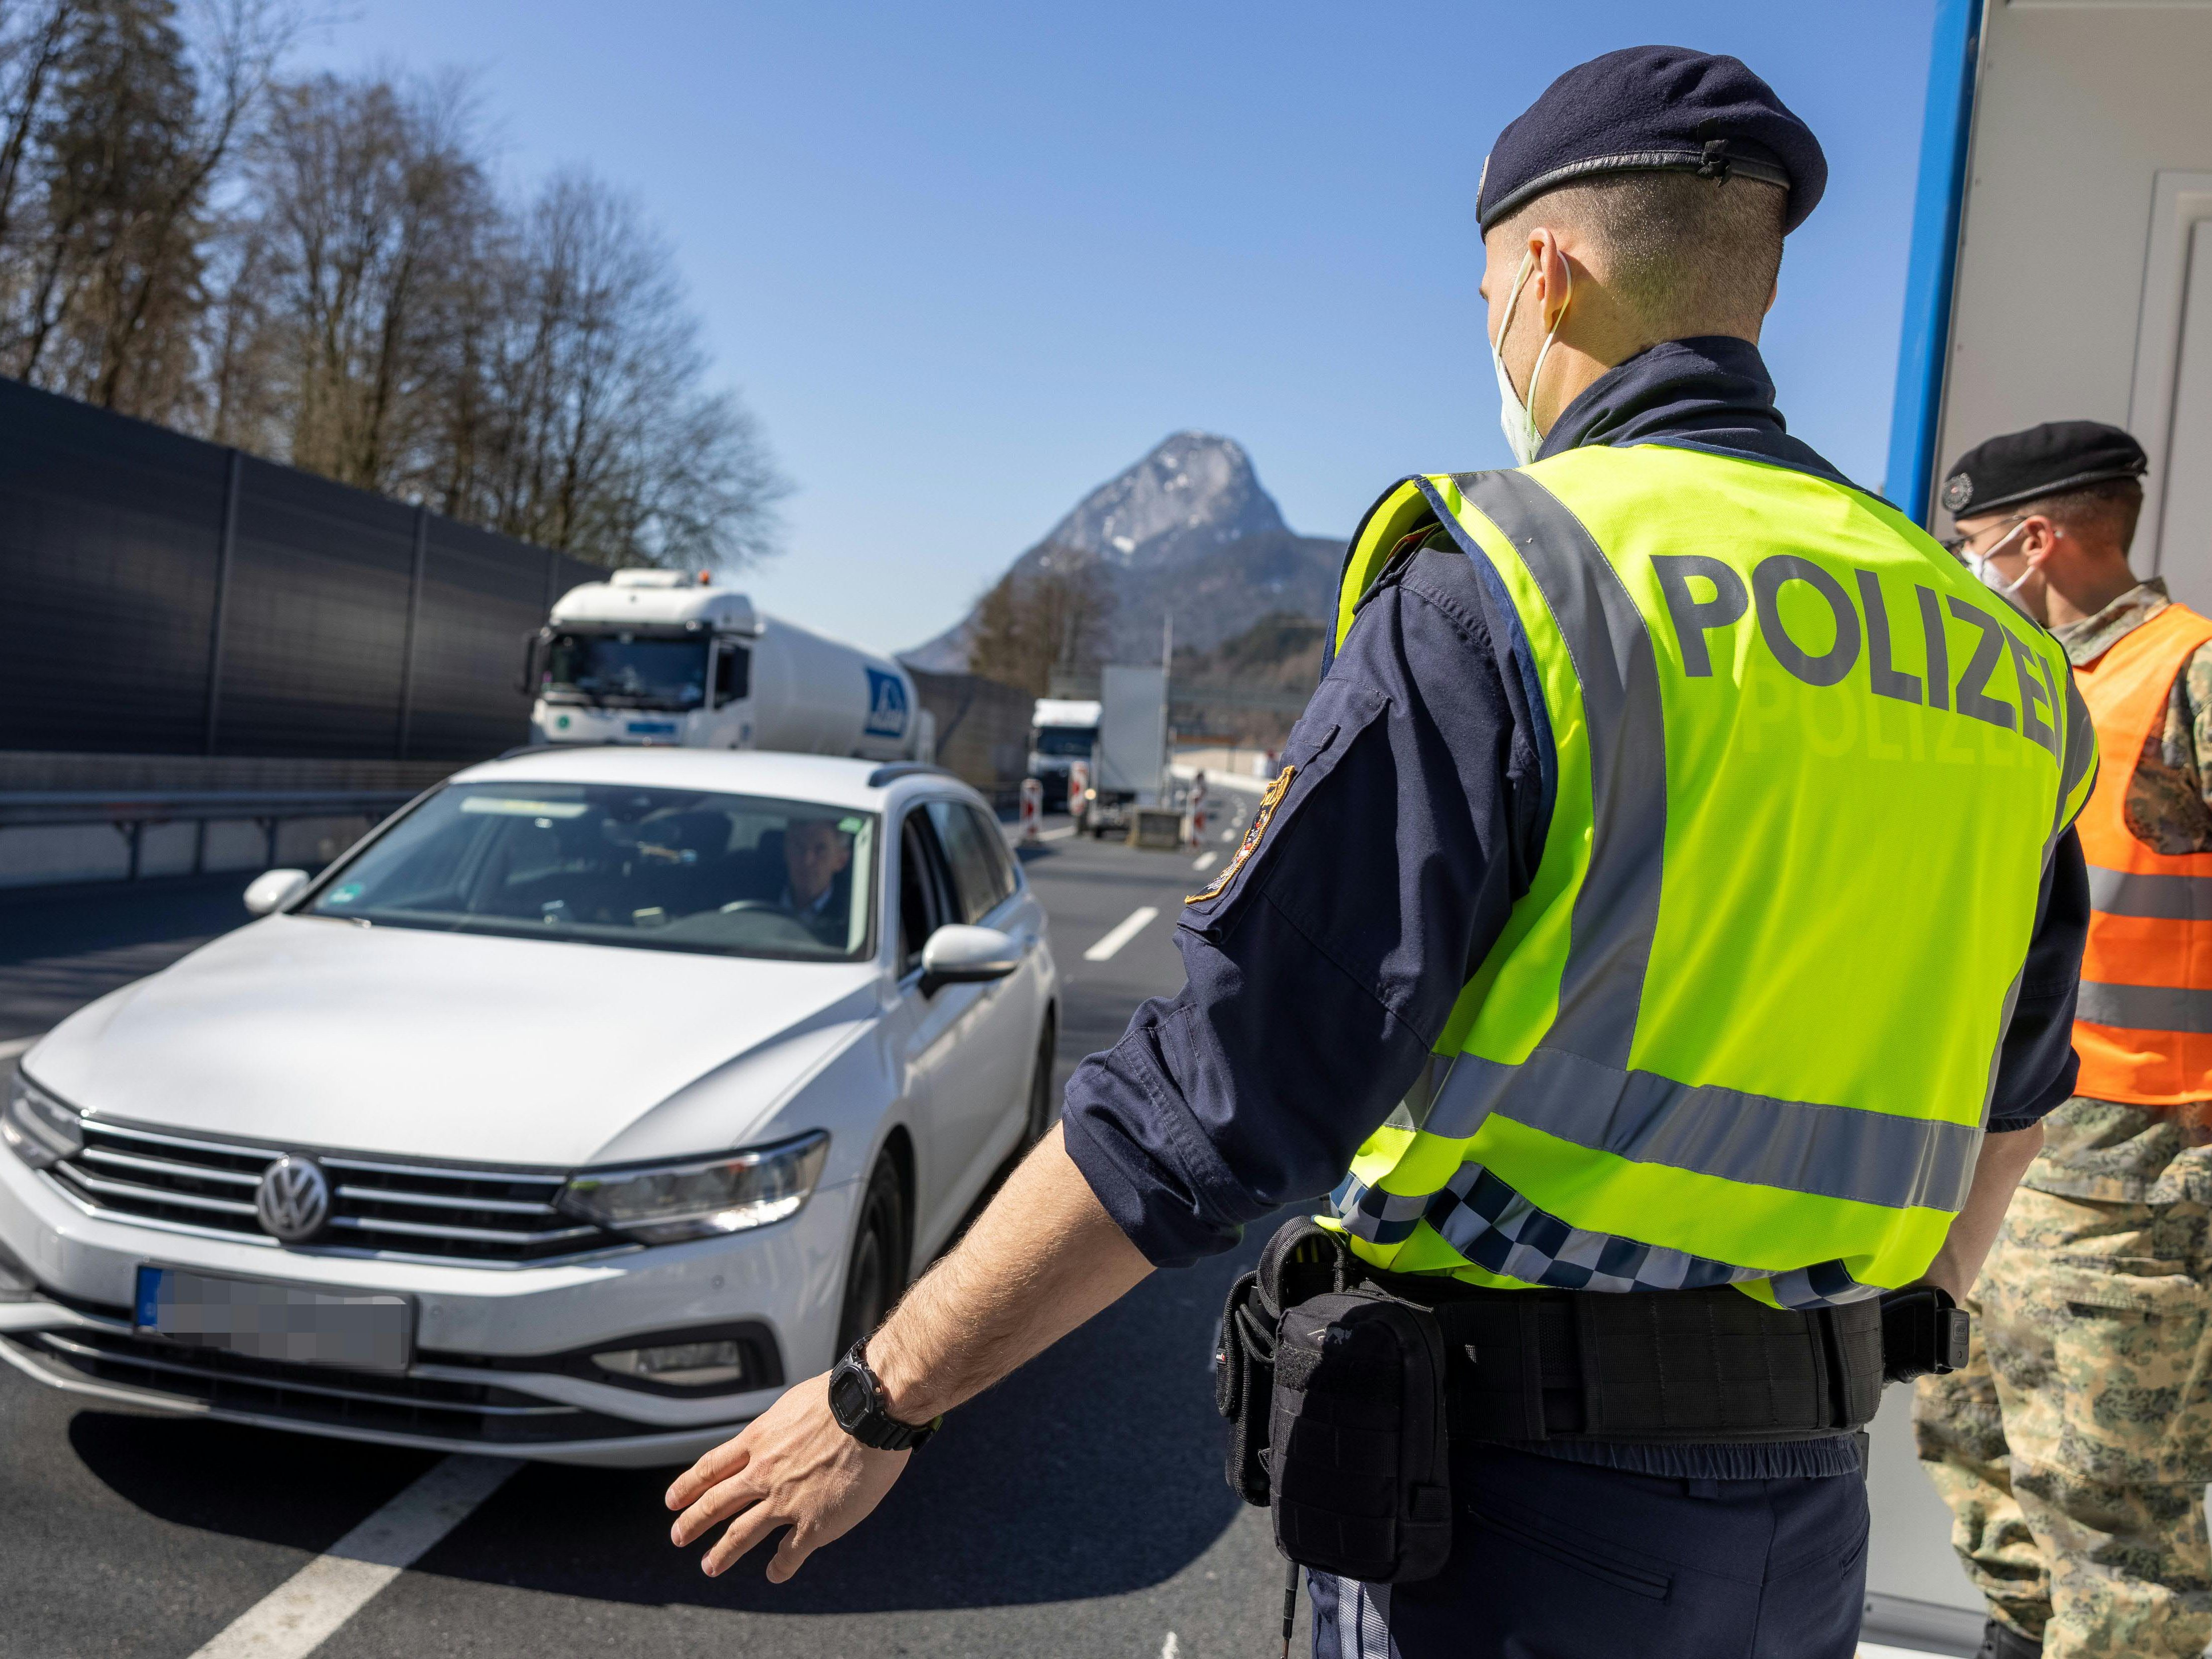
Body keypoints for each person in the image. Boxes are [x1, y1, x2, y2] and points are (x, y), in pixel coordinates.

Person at [662, 47, 2097, 1658]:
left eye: (1485, 283)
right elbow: (2015, 1093)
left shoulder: (1522, 585)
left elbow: (1218, 1095)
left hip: (1515, 1526)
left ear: (1540, 277)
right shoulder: (1997, 661)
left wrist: (879, 1393)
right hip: (1803, 1515)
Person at [1916, 422, 2212, 1659]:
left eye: (1975, 550)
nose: (1968, 571)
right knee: (1977, 1472)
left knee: (2114, 1533)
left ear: (2036, 542)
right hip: (1993, 1158)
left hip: (2127, 1181)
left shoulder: (2183, 670)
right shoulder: (2021, 683)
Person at [776, 816, 852, 945]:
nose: (807, 861)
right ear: (786, 851)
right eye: (799, 847)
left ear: (841, 860)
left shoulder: (854, 921)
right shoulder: (750, 896)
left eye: (820, 850)